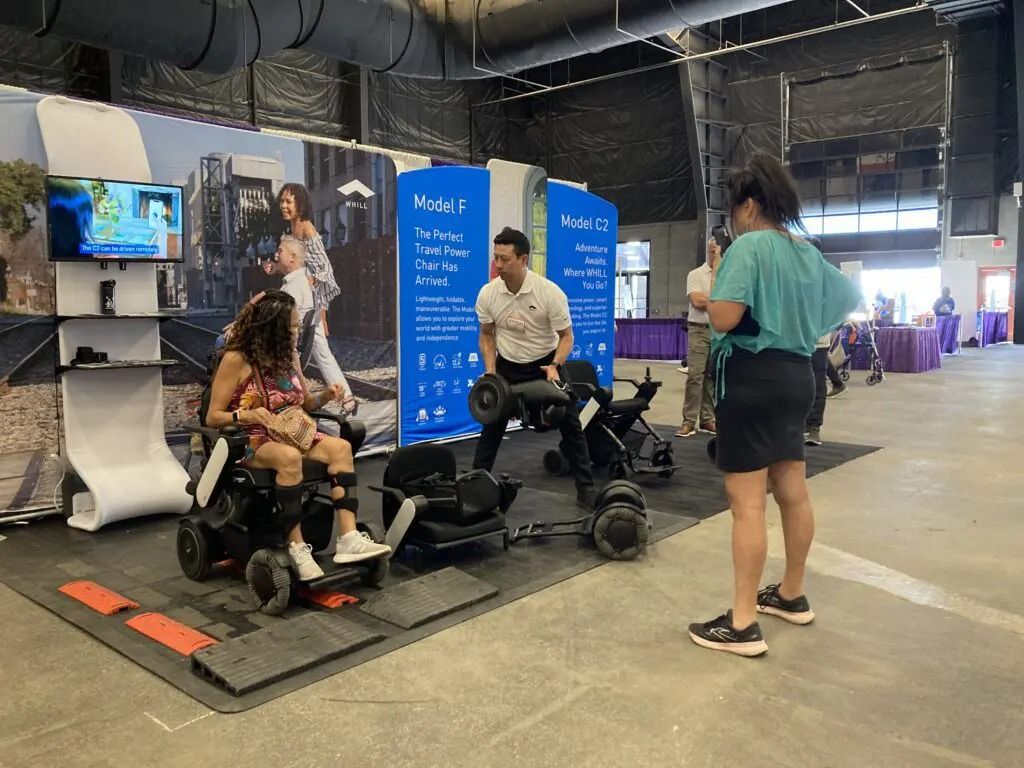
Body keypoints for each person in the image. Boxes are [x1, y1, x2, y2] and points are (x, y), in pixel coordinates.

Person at [687, 154, 860, 657]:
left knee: (747, 504)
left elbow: (721, 318)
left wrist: (720, 274)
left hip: (753, 378)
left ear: (751, 204)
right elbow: (847, 294)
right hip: (798, 374)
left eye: (736, 207)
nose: (735, 219)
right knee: (793, 490)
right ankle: (790, 593)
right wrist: (800, 321)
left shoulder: (750, 247)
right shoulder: (805, 251)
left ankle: (741, 624)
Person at [205, 290, 390, 581]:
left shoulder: (288, 357)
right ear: (272, 328)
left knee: (341, 448)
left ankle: (349, 538)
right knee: (289, 458)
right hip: (253, 440)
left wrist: (326, 396)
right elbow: (213, 416)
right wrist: (247, 414)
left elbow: (304, 404)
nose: (296, 331)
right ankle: (297, 546)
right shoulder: (236, 359)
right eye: (291, 326)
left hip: (293, 432)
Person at [474, 227, 598, 510]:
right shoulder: (488, 293)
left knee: (571, 423)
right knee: (491, 427)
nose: (499, 265)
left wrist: (555, 365)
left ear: (523, 259)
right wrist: (491, 371)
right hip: (507, 366)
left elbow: (567, 336)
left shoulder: (548, 293)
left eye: (505, 259)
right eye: (496, 258)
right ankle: (475, 484)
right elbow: (486, 334)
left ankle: (586, 488)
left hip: (545, 364)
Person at [265, 235, 356, 417]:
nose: (276, 253)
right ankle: (347, 397)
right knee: (323, 353)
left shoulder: (292, 288)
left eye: (280, 250)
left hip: (286, 351)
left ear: (292, 257)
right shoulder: (300, 282)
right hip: (303, 336)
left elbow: (276, 327)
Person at [277, 183, 341, 332]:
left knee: (316, 344)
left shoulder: (307, 229)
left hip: (314, 299)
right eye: (281, 201)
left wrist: (309, 280)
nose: (283, 205)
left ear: (300, 205)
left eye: (288, 201)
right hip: (302, 295)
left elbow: (325, 268)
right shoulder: (292, 228)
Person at [676, 241, 719, 438]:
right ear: (707, 251)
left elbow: (717, 300)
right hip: (699, 330)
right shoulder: (695, 274)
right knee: (695, 376)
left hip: (718, 331)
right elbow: (697, 301)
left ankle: (707, 419)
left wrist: (710, 299)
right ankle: (689, 421)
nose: (714, 254)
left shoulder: (724, 273)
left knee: (711, 377)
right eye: (711, 251)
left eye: (717, 251)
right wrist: (717, 300)